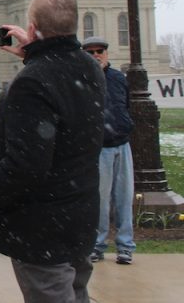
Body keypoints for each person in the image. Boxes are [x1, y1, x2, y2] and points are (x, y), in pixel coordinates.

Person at [0, 0, 104, 303]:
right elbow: (62, 77)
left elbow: (26, 166)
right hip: (79, 215)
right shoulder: (90, 68)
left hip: (43, 224)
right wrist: (35, 53)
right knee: (76, 293)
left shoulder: (32, 81)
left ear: (31, 28)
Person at [82, 35, 135, 265]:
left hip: (122, 145)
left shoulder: (117, 78)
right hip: (99, 148)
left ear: (106, 53)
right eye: (91, 52)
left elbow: (127, 105)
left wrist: (125, 126)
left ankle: (125, 247)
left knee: (124, 198)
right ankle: (97, 245)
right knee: (100, 201)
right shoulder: (82, 80)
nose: (96, 55)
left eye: (100, 51)